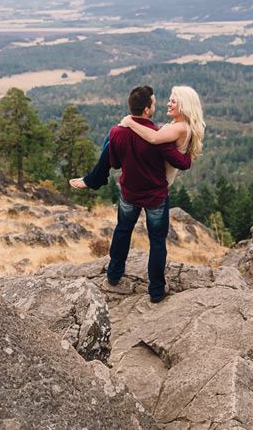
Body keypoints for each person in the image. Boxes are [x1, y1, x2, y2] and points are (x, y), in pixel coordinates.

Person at [71, 85, 192, 303]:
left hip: (129, 194)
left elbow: (114, 162)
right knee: (157, 242)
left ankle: (114, 274)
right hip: (155, 197)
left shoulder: (117, 133)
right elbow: (181, 163)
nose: (158, 105)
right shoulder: (158, 137)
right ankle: (156, 290)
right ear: (147, 110)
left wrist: (93, 178)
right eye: (154, 103)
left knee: (123, 231)